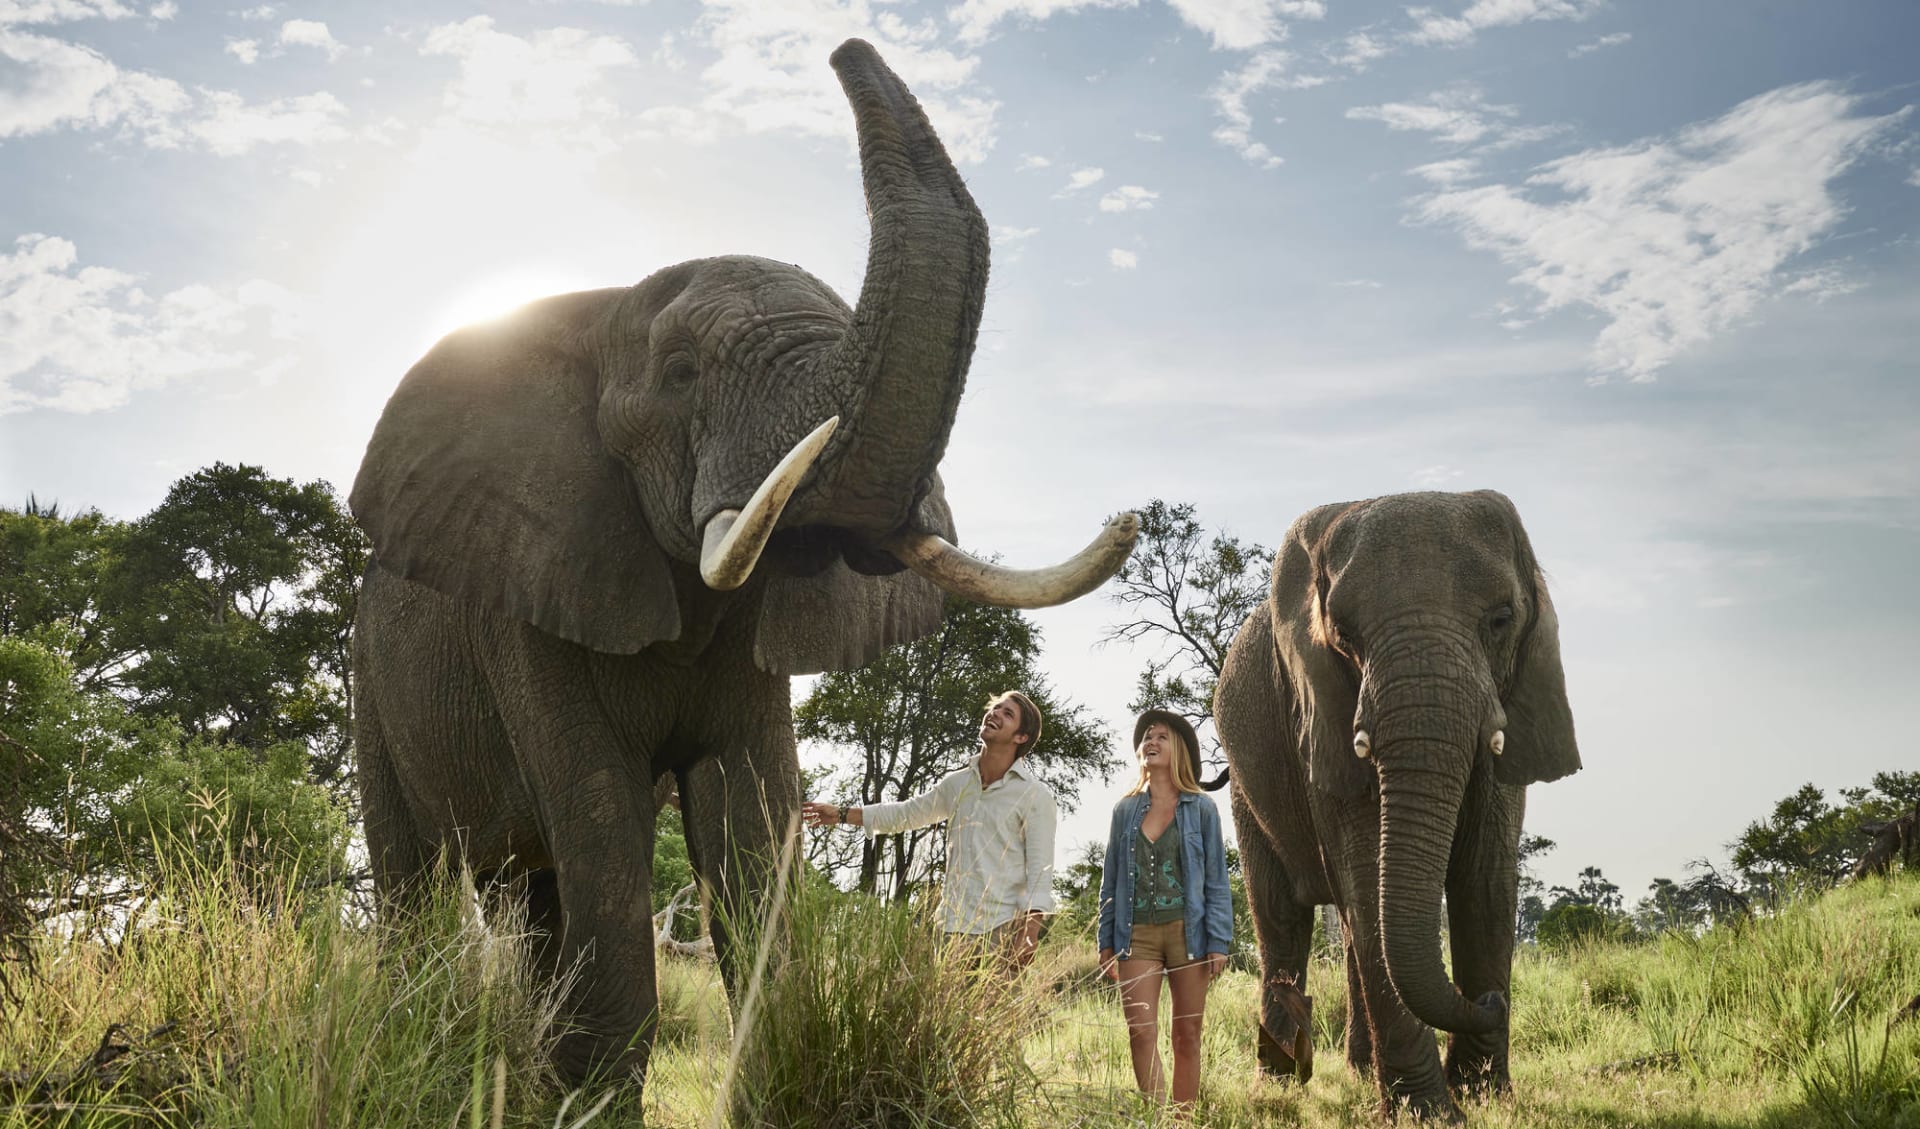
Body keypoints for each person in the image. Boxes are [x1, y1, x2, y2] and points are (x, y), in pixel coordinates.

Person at [800, 690, 1057, 969]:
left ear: (1021, 737)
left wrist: (1028, 935)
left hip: (1001, 930)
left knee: (1000, 1013)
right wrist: (841, 814)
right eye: (995, 708)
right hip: (950, 929)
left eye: (1007, 714)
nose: (994, 714)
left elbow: (1040, 872)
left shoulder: (1034, 796)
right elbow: (908, 813)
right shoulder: (957, 784)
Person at [1097, 709, 1232, 1108]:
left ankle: (1183, 1118)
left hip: (1188, 933)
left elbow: (1216, 880)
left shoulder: (1202, 808)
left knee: (1186, 1036)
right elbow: (1111, 881)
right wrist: (1105, 939)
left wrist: (1219, 940)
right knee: (1140, 1032)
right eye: (1146, 738)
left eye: (1161, 737)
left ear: (1180, 751)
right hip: (1134, 934)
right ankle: (1158, 1119)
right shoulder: (1124, 811)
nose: (1150, 742)